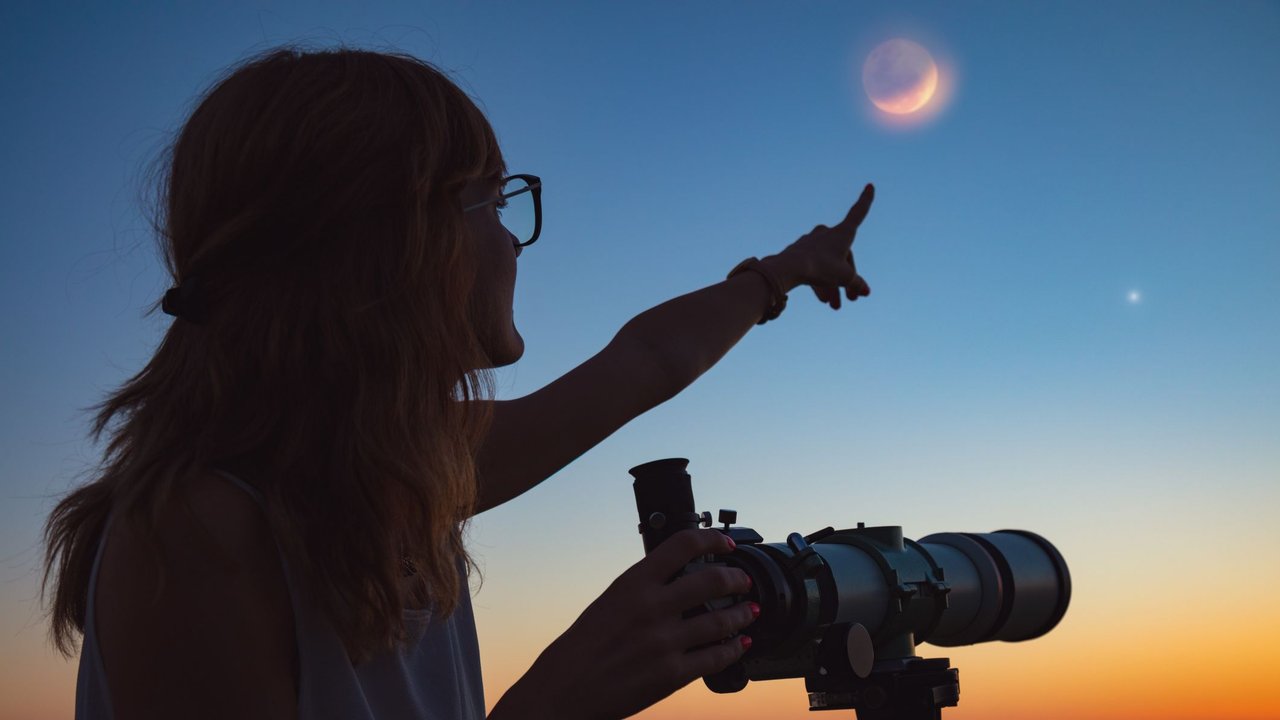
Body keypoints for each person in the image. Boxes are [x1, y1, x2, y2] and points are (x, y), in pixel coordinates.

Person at [40, 46, 876, 720]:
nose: (515, 242)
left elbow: (647, 362)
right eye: (492, 202)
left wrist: (781, 273)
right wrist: (560, 700)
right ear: (386, 242)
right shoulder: (194, 534)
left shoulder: (390, 468)